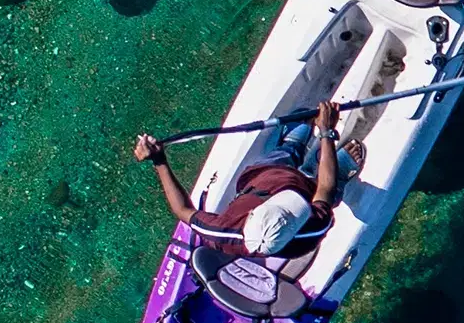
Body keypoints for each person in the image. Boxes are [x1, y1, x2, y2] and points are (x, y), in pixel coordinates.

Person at [136, 103, 357, 249]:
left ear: (251, 215)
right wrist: (327, 131)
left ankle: (292, 147)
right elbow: (324, 191)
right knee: (325, 187)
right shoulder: (311, 231)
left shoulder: (225, 232)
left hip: (266, 177)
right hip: (309, 190)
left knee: (275, 161)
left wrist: (159, 160)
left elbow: (183, 211)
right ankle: (318, 170)